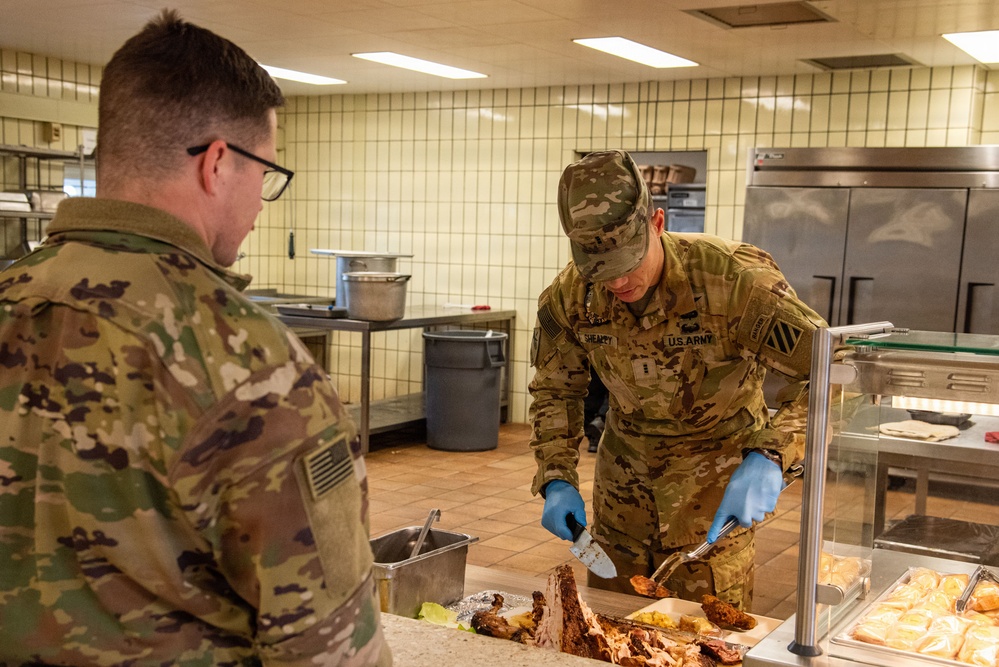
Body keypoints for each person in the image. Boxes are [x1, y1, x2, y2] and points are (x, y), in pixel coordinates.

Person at [0, 10, 390, 665]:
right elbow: (328, 646)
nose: (262, 204)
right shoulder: (252, 365)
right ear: (217, 163)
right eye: (265, 174)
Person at [529, 150, 825, 609]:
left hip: (711, 503)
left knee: (704, 642)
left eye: (629, 261)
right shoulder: (572, 295)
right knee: (611, 637)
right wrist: (555, 475)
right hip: (621, 502)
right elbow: (555, 388)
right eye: (600, 269)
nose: (618, 281)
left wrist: (773, 453)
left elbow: (833, 372)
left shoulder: (733, 281)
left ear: (659, 222)